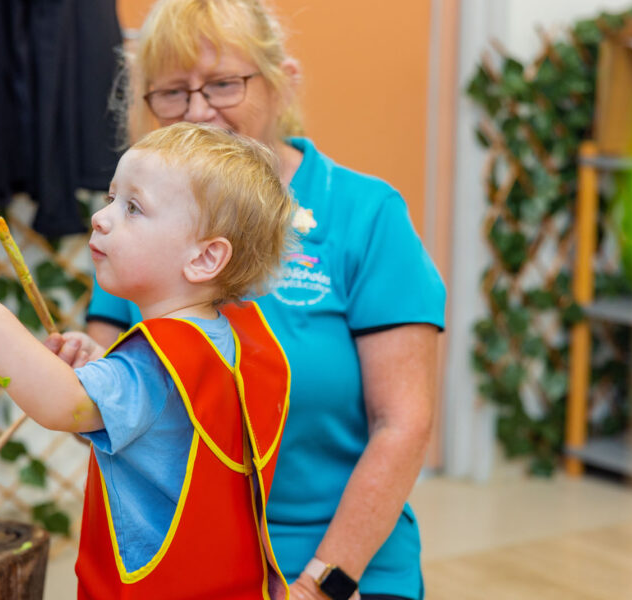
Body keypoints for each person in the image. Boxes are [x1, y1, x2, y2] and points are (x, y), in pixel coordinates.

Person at [73, 2, 447, 599]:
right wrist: (80, 381)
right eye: (171, 92)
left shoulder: (366, 213)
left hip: (339, 563)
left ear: (282, 82)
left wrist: (320, 586)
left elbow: (403, 422)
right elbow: (111, 411)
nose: (198, 110)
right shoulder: (141, 233)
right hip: (185, 567)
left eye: (223, 83)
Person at [0, 122, 297, 599]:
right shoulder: (234, 338)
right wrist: (101, 368)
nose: (102, 218)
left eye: (134, 208)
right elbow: (168, 422)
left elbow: (63, 405)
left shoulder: (154, 362)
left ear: (204, 259)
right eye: (110, 198)